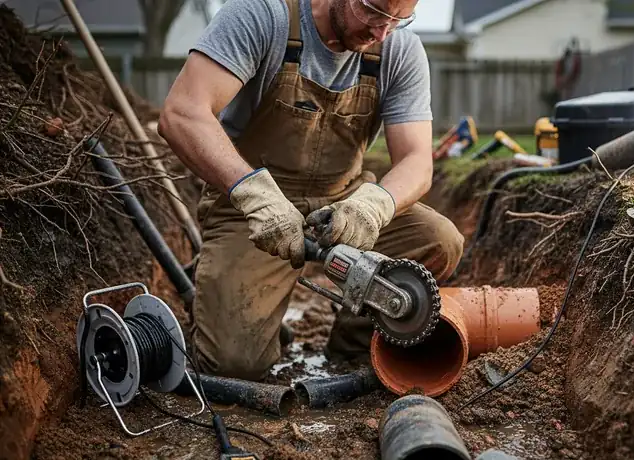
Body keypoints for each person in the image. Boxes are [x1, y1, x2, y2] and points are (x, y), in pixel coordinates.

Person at [157, 0, 465, 382]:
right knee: (234, 364)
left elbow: (417, 159)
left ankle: (354, 344)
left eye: (398, 20)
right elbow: (182, 113)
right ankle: (242, 312)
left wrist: (373, 206)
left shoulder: (397, 49)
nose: (381, 32)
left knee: (439, 240)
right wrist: (255, 196)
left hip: (344, 203)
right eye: (373, 10)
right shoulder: (263, 16)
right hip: (253, 208)